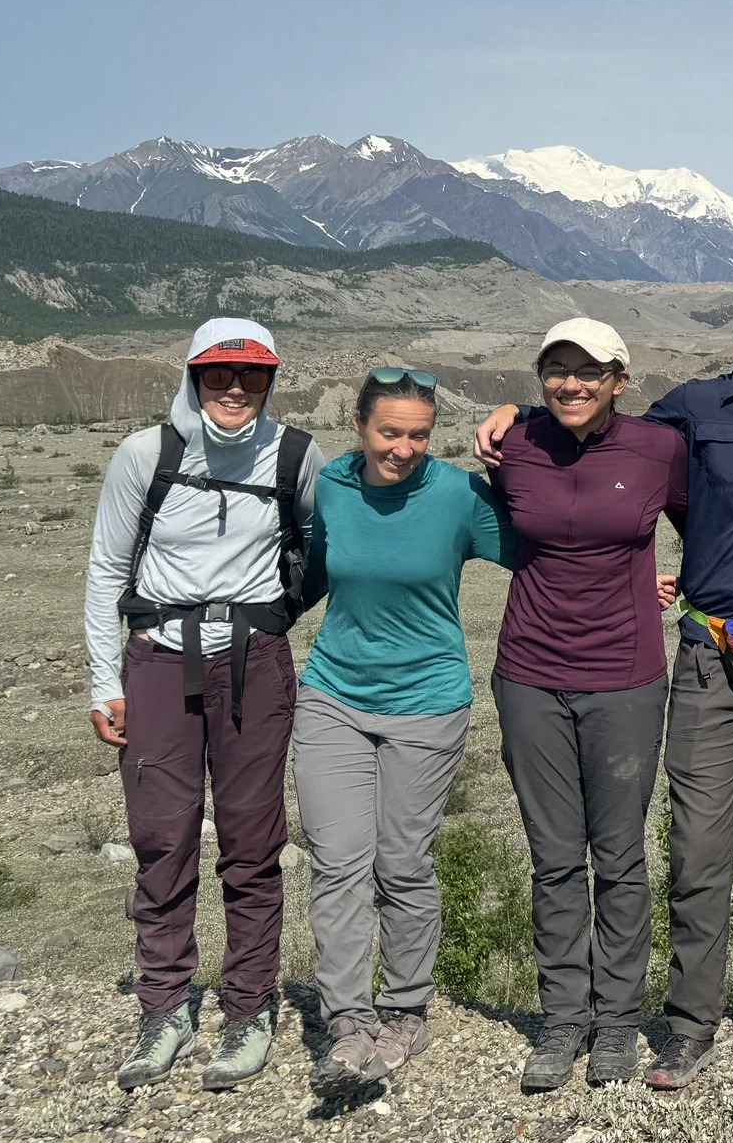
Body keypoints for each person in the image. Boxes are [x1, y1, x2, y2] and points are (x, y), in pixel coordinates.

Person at [475, 266, 733, 1090]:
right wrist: (518, 413)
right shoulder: (691, 412)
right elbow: (593, 423)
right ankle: (691, 1020)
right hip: (709, 650)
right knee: (698, 846)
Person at [85, 318, 324, 1094]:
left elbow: (320, 553)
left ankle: (249, 1007)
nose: (233, 388)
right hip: (156, 657)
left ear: (270, 381)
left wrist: (275, 619)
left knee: (253, 842)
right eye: (218, 373)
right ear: (192, 376)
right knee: (162, 839)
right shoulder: (144, 455)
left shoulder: (294, 455)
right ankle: (163, 1006)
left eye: (250, 376)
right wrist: (103, 680)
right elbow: (104, 569)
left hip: (254, 659)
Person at [294, 369, 514, 1099]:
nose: (405, 447)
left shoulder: (455, 494)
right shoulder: (331, 485)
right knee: (337, 861)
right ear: (359, 426)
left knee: (402, 862)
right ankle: (348, 1023)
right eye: (390, 432)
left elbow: (545, 549)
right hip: (333, 696)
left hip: (427, 701)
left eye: (419, 434)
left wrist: (635, 579)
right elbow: (316, 568)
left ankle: (406, 1007)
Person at [488, 318, 688, 1093]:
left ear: (619, 379)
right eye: (556, 371)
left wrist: (681, 583)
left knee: (621, 855)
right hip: (529, 673)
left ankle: (619, 1022)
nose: (571, 384)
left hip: (626, 676)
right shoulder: (517, 445)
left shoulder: (655, 448)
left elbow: (703, 525)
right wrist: (504, 419)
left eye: (589, 371)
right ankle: (562, 1016)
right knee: (553, 857)